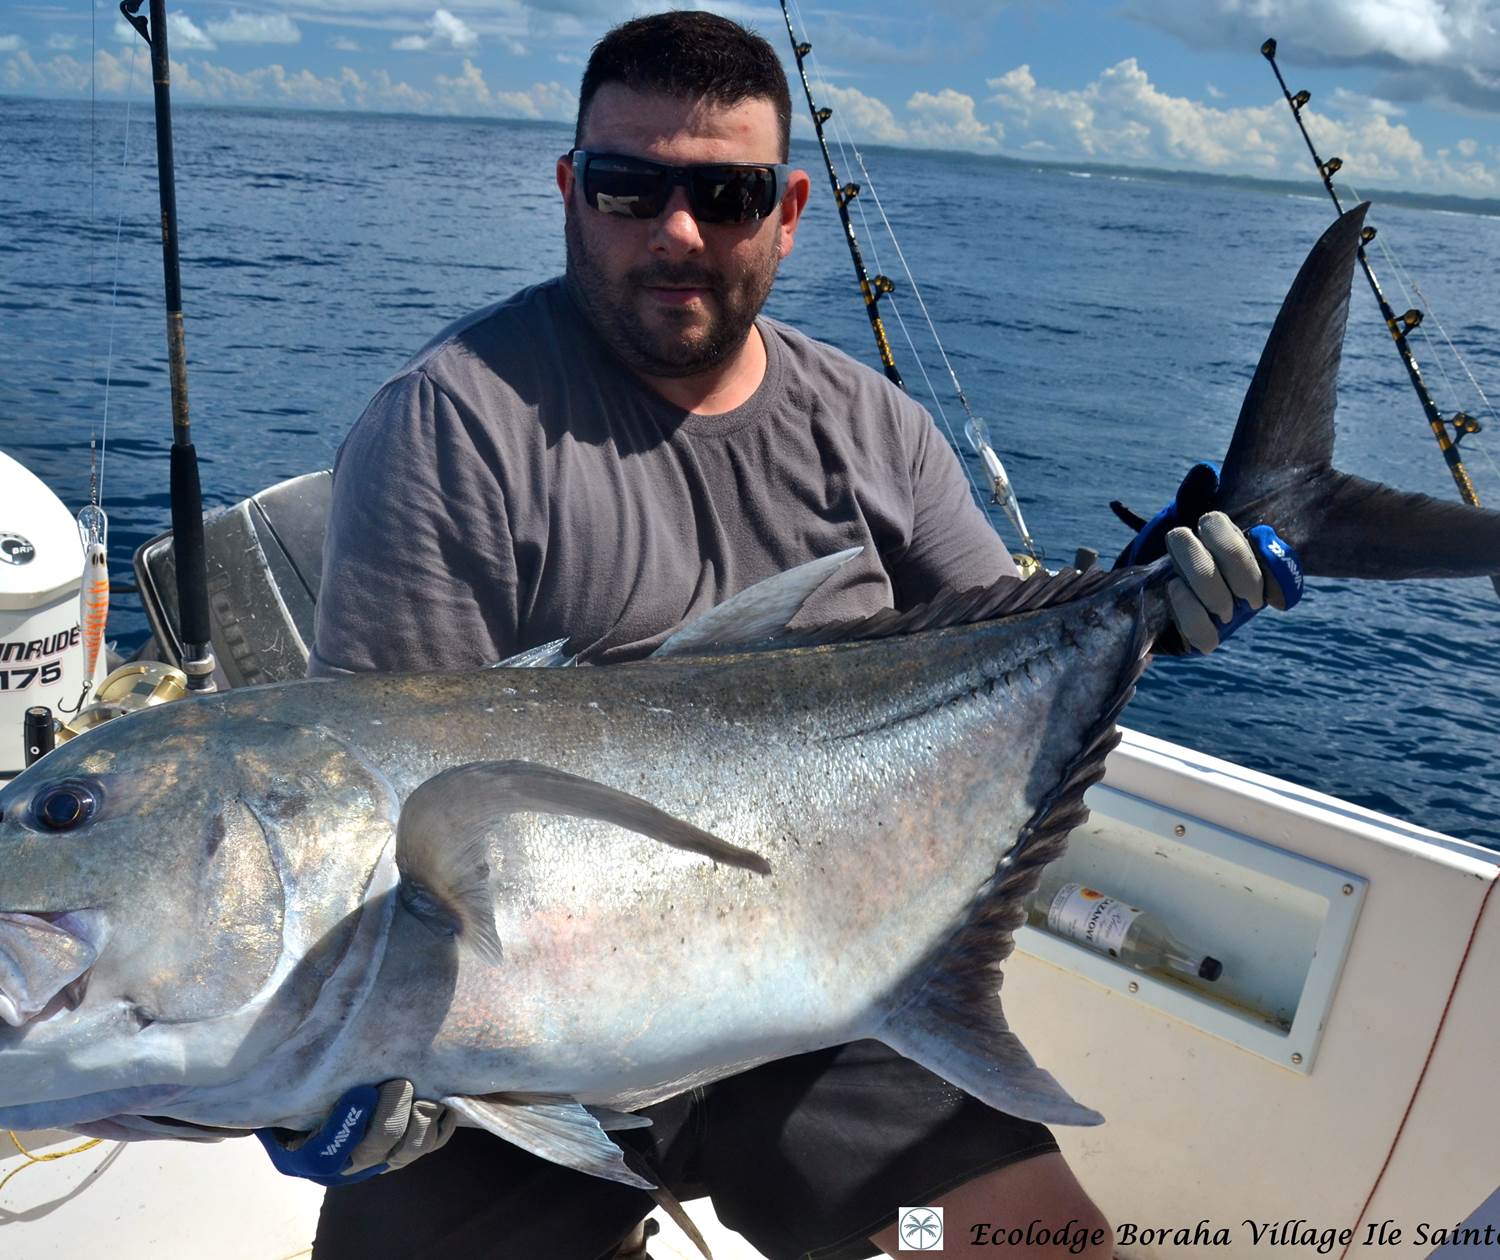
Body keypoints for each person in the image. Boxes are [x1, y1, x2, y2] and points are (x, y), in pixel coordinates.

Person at [279, 12, 1296, 1258]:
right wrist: (314, 1064)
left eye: (727, 192)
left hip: (811, 1018)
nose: (677, 232)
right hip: (506, 1067)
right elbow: (370, 825)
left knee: (1008, 1246)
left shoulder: (877, 432)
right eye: (626, 187)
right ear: (567, 189)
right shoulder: (448, 433)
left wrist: (1153, 606)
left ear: (791, 207)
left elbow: (1008, 650)